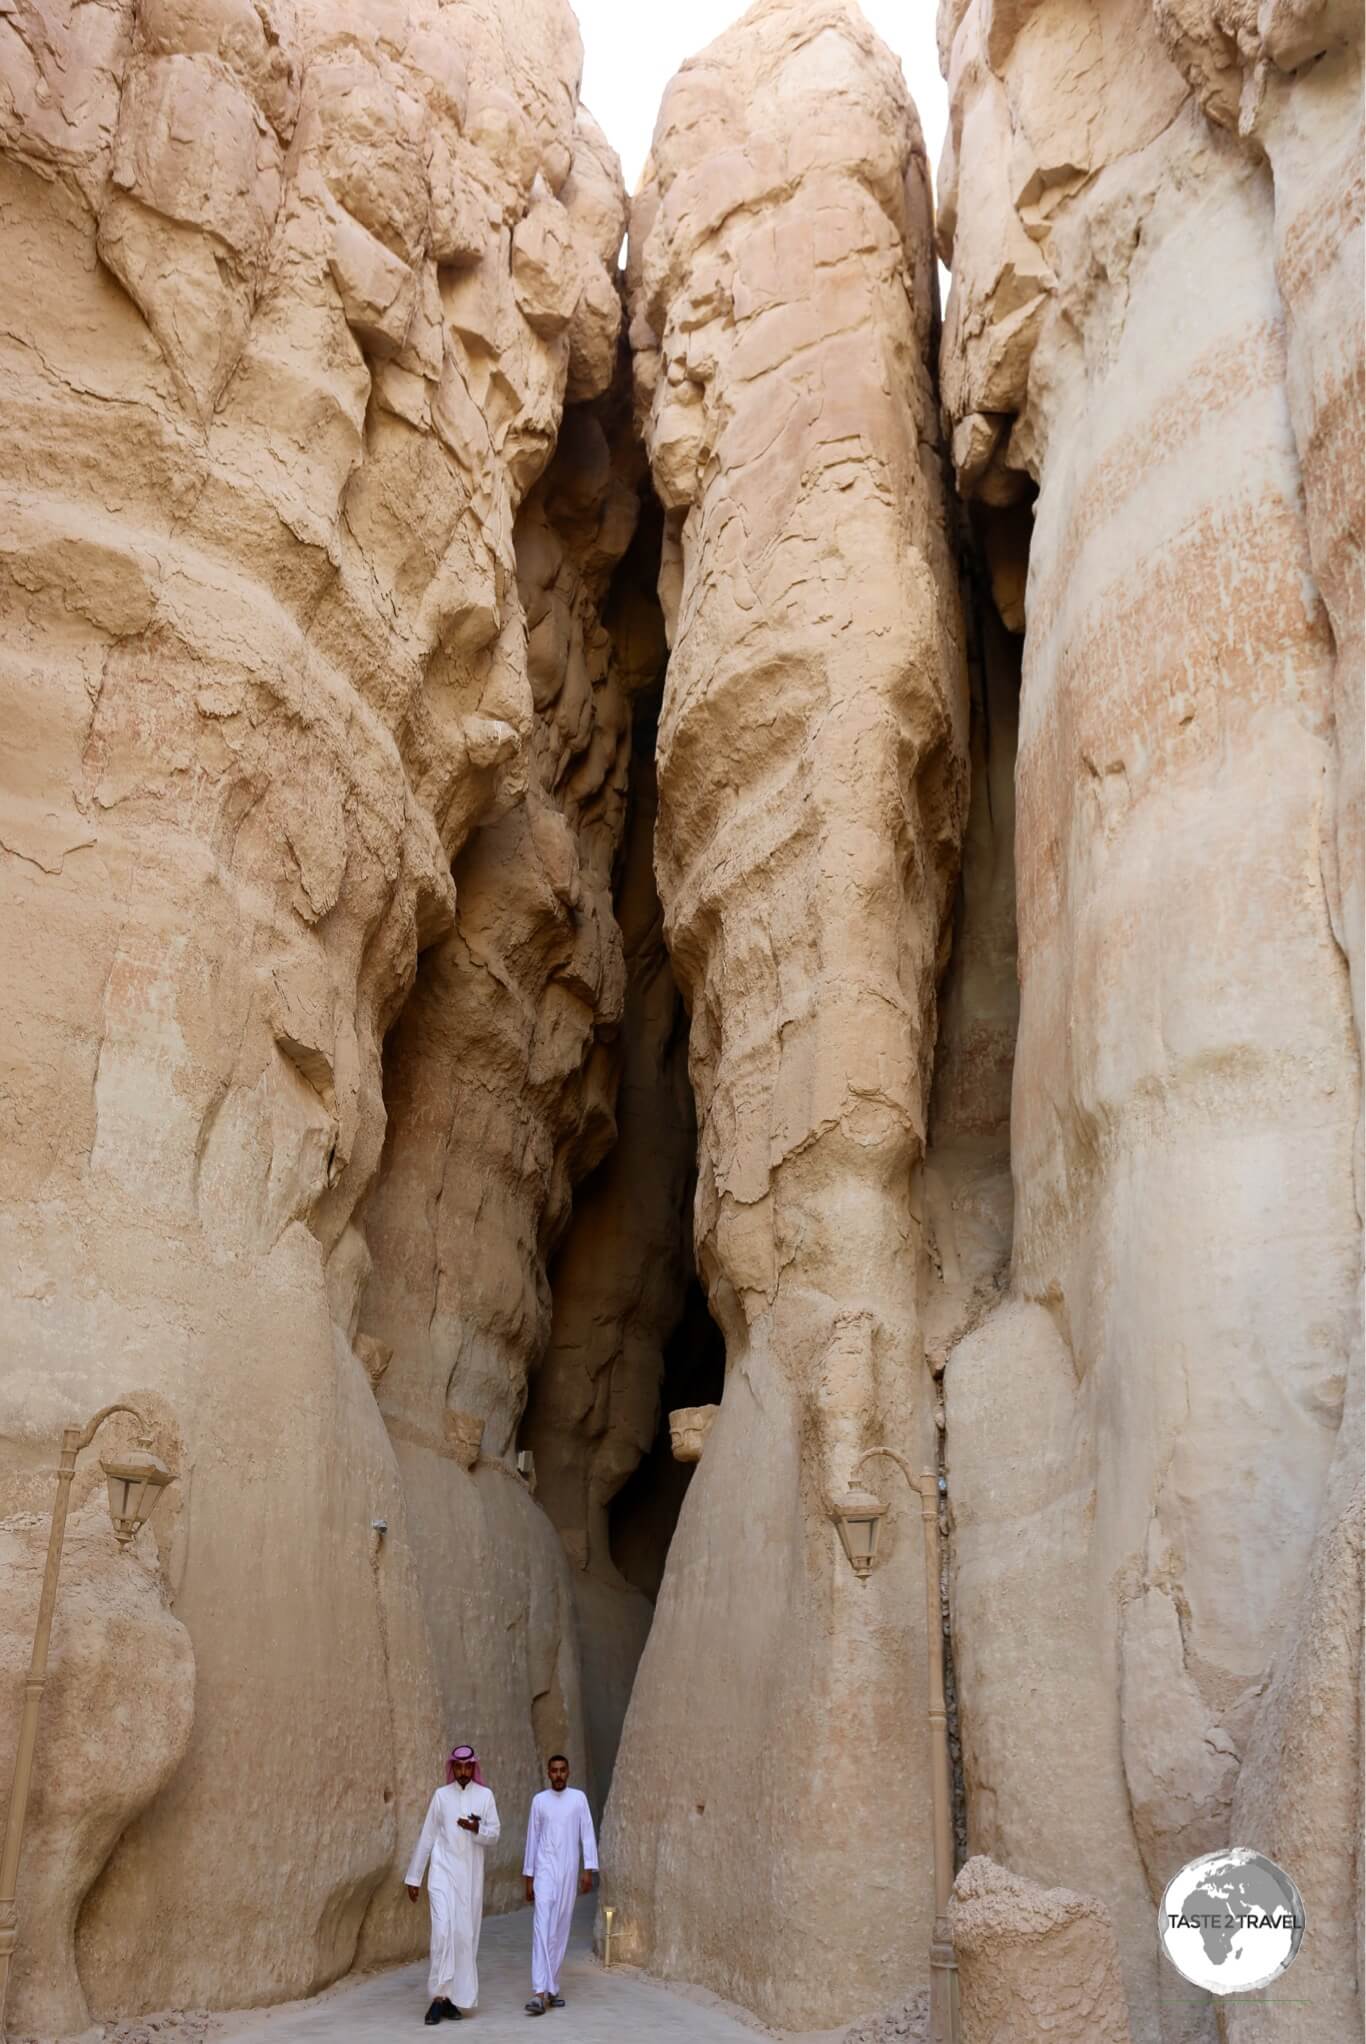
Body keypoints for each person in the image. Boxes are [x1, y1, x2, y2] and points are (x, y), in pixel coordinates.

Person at [405, 1744, 501, 2024]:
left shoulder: (485, 1796)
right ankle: (437, 1997)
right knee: (442, 1933)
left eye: (467, 1767)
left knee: (463, 1937)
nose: (462, 1772)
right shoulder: (441, 1796)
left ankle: (452, 1999)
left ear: (473, 1767)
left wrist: (477, 1829)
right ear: (452, 1767)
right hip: (441, 1875)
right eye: (457, 1767)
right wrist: (415, 1877)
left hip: (470, 1879)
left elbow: (495, 1833)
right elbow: (427, 1836)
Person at [522, 1754, 598, 2017]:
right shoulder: (539, 1801)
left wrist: (588, 1870)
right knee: (542, 1926)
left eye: (562, 1770)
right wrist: (529, 1877)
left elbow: (587, 1833)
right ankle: (538, 1992)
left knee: (561, 1927)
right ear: (547, 1773)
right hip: (544, 1870)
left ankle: (552, 1986)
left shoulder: (578, 1799)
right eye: (553, 1770)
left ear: (568, 1772)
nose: (558, 1775)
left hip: (568, 1870)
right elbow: (532, 1838)